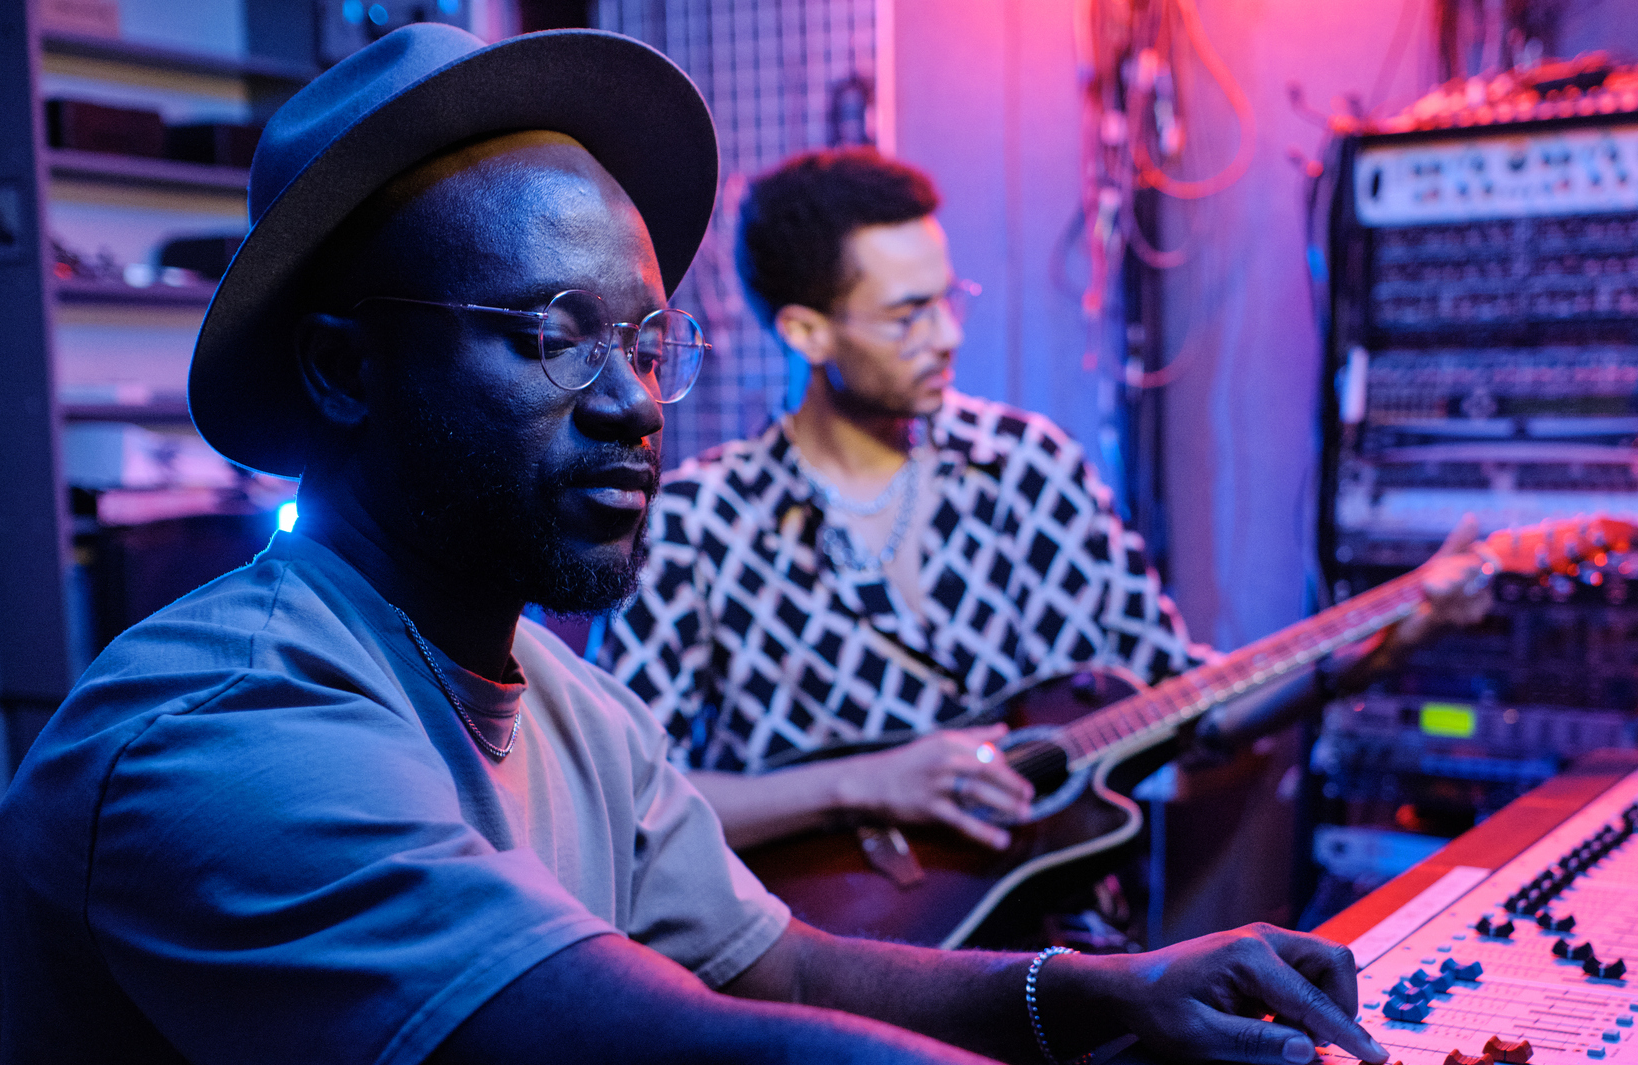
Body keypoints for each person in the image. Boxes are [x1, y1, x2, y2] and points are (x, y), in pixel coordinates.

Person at [0, 25, 1638, 1065]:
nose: (634, 402)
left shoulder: (566, 699)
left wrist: (1092, 995)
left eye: (648, 339)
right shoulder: (218, 728)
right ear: (344, 370)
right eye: (547, 337)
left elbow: (776, 972)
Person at [594, 148, 1489, 855]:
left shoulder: (1030, 471)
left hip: (1050, 949)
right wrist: (864, 783)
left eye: (949, 299)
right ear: (805, 331)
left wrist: (1377, 649)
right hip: (820, 974)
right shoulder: (700, 524)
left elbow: (1188, 708)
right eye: (908, 314)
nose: (947, 336)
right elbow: (623, 801)